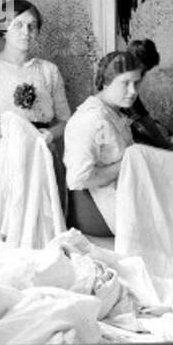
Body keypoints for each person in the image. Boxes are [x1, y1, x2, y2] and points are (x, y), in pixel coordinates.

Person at [0, 0, 71, 212]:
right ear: (3, 29)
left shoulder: (48, 71)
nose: (26, 32)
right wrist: (5, 130)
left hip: (39, 152)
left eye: (32, 26)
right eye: (18, 24)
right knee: (0, 226)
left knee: (40, 221)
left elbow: (66, 121)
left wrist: (48, 136)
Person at [63, 51, 142, 237]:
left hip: (123, 195)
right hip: (99, 208)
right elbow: (78, 179)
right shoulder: (90, 119)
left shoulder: (113, 112)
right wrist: (127, 163)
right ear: (106, 82)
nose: (133, 91)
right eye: (125, 83)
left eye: (136, 83)